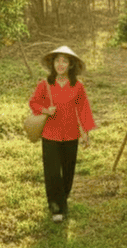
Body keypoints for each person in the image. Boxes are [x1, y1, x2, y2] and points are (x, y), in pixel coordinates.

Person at [28, 45, 96, 223]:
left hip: (71, 134)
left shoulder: (77, 86)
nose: (60, 64)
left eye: (64, 61)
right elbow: (33, 103)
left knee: (68, 171)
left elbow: (83, 109)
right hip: (50, 134)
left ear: (70, 65)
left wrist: (85, 132)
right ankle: (56, 208)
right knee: (52, 172)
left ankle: (63, 198)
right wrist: (45, 110)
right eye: (57, 61)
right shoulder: (45, 84)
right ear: (52, 64)